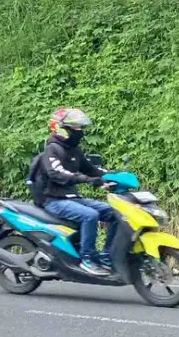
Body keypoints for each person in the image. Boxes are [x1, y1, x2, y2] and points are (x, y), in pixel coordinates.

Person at [39, 107, 119, 276]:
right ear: (62, 129)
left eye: (81, 128)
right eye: (76, 128)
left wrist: (113, 177)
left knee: (115, 213)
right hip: (54, 201)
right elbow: (57, 173)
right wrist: (88, 180)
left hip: (72, 198)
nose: (80, 132)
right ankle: (87, 258)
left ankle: (107, 255)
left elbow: (91, 170)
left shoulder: (74, 150)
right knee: (90, 215)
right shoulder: (52, 149)